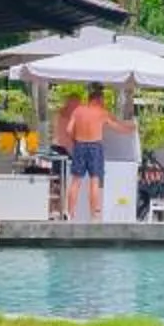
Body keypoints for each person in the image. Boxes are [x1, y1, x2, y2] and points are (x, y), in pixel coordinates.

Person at [63, 84, 131, 222]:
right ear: (98, 99)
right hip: (95, 146)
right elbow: (117, 127)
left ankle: (69, 213)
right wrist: (131, 129)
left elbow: (69, 130)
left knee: (75, 181)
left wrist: (75, 141)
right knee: (94, 181)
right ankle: (94, 215)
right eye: (103, 99)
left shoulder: (78, 110)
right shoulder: (101, 112)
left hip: (79, 145)